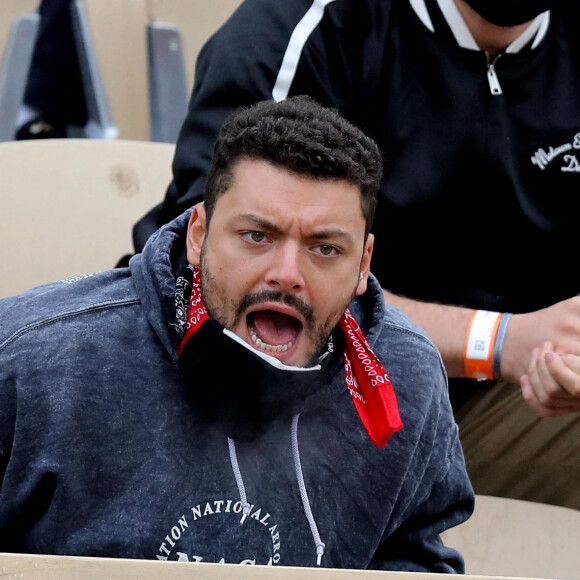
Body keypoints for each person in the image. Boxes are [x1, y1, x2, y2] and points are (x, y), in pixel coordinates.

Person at [129, 0, 580, 510]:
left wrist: (561, 363)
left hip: (480, 418)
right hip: (270, 399)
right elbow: (223, 270)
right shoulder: (311, 26)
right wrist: (496, 342)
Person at [0, 96, 473, 569]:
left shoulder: (405, 375)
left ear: (363, 264)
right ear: (199, 235)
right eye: (257, 236)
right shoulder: (35, 361)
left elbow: (417, 561)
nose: (288, 273)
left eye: (325, 248)